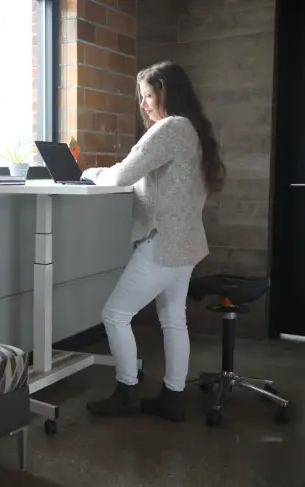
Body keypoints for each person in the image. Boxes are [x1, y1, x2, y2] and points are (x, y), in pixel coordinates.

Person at [81, 60, 226, 422]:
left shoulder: (170, 127)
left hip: (164, 243)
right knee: (174, 319)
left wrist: (89, 172)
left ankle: (126, 391)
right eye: (141, 97)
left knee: (115, 314)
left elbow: (123, 175)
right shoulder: (192, 129)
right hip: (187, 242)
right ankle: (172, 397)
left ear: (167, 93)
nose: (143, 104)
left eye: (148, 95)